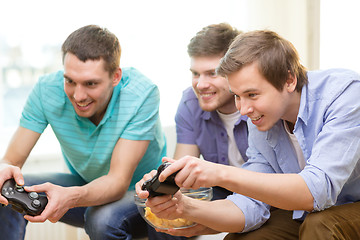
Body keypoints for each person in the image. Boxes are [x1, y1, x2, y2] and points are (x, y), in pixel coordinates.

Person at [136, 30, 360, 240]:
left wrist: (219, 173)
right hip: (318, 210)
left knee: (321, 224)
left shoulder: (344, 94)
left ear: (289, 80)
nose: (243, 110)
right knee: (242, 237)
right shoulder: (262, 119)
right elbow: (251, 205)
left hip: (344, 205)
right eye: (237, 96)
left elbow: (317, 191)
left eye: (252, 94)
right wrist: (184, 207)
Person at [0, 25, 166, 240]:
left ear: (115, 77)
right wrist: (4, 170)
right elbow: (11, 160)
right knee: (6, 190)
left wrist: (71, 197)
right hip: (86, 184)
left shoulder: (141, 94)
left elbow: (117, 182)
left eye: (91, 84)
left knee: (102, 220)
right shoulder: (46, 90)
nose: (78, 96)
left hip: (141, 195)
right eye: (70, 80)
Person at [145, 23, 247, 240]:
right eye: (195, 73)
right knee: (165, 213)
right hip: (220, 189)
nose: (200, 84)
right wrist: (159, 185)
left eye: (212, 73)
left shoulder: (257, 106)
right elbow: (180, 172)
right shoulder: (190, 103)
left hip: (261, 190)